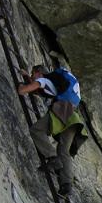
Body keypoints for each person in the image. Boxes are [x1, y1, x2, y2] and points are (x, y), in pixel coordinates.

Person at [17, 65, 88, 195]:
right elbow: (39, 90)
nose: (33, 78)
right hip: (73, 118)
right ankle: (66, 184)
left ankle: (52, 157)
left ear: (38, 73)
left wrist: (22, 87)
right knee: (63, 150)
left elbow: (31, 88)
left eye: (33, 75)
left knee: (36, 130)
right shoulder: (55, 83)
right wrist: (27, 76)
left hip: (62, 110)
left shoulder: (44, 80)